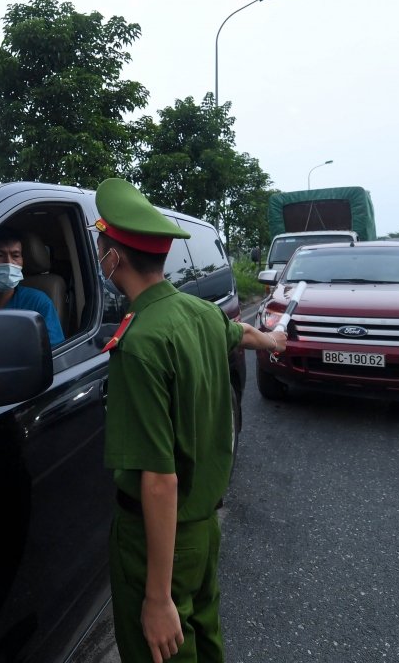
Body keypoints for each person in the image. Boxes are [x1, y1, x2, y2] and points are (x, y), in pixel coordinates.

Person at [94, 178, 286, 663]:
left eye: (101, 245)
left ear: (114, 257)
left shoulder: (139, 345)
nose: (99, 256)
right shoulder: (198, 313)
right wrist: (272, 341)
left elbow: (158, 481)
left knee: (161, 647)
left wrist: (156, 597)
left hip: (156, 543)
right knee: (205, 639)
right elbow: (237, 332)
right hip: (202, 531)